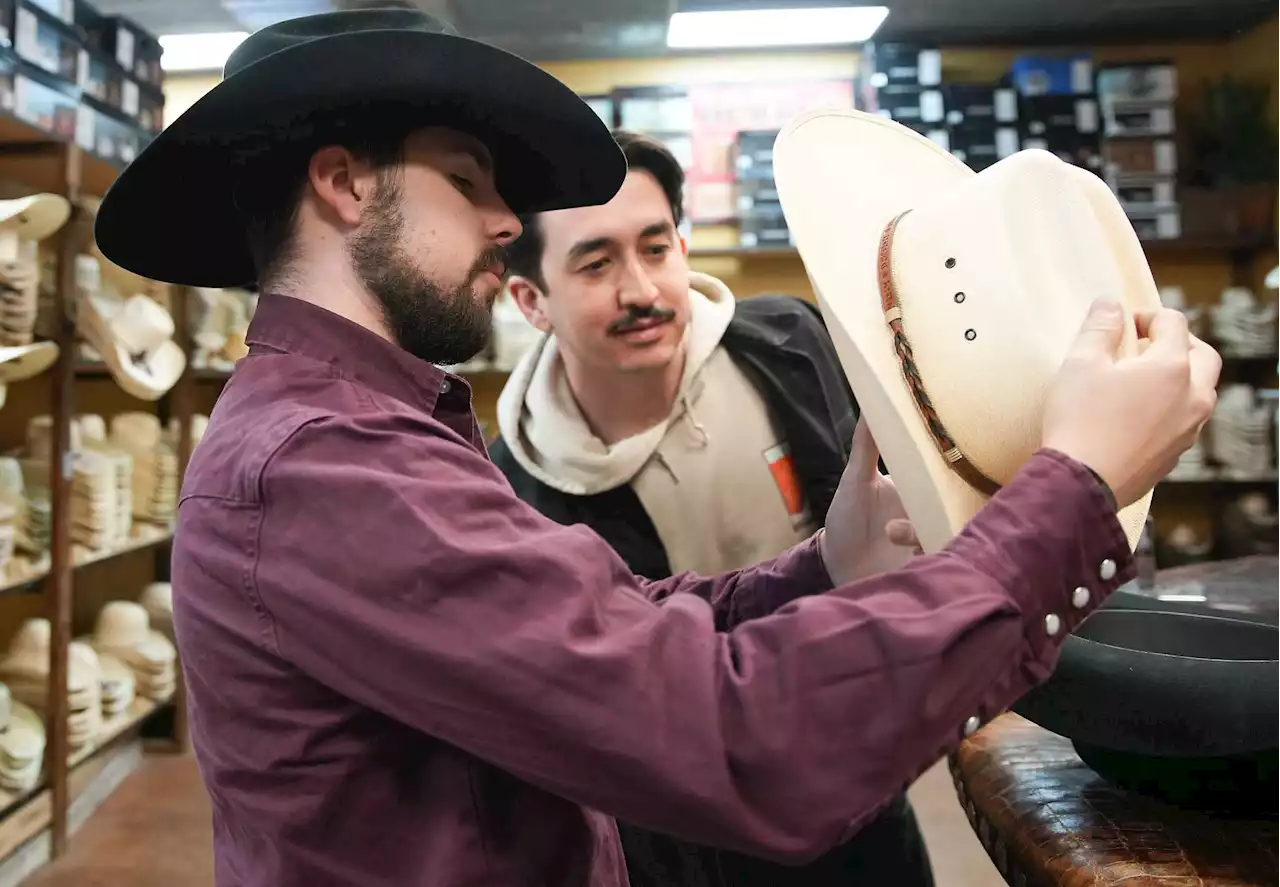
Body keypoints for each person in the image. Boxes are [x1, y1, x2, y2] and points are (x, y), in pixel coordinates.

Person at [92, 10, 1221, 887]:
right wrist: (1071, 487)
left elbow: (615, 623)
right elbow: (731, 734)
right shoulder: (319, 465)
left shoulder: (371, 431)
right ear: (342, 185)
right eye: (469, 177)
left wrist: (822, 568)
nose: (501, 222)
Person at [490, 130, 933, 887]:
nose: (642, 290)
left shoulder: (791, 344)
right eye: (596, 264)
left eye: (656, 248)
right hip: (678, 842)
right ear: (531, 300)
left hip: (854, 793)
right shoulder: (514, 492)